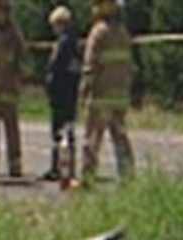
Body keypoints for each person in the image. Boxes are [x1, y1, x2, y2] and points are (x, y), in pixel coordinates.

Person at [81, 0, 136, 184]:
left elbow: (90, 66)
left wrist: (84, 91)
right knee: (120, 137)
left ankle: (87, 175)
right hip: (120, 97)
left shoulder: (98, 32)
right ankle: (128, 175)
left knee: (92, 138)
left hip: (100, 96)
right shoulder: (123, 33)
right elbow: (129, 66)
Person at [44, 5, 81, 183]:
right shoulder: (74, 44)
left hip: (61, 93)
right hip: (71, 93)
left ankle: (58, 168)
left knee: (59, 132)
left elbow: (56, 69)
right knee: (68, 129)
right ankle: (68, 167)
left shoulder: (63, 44)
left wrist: (49, 84)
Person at [0, 0, 25, 178]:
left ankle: (15, 165)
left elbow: (20, 58)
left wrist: (18, 79)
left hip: (9, 86)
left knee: (12, 130)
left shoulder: (14, 34)